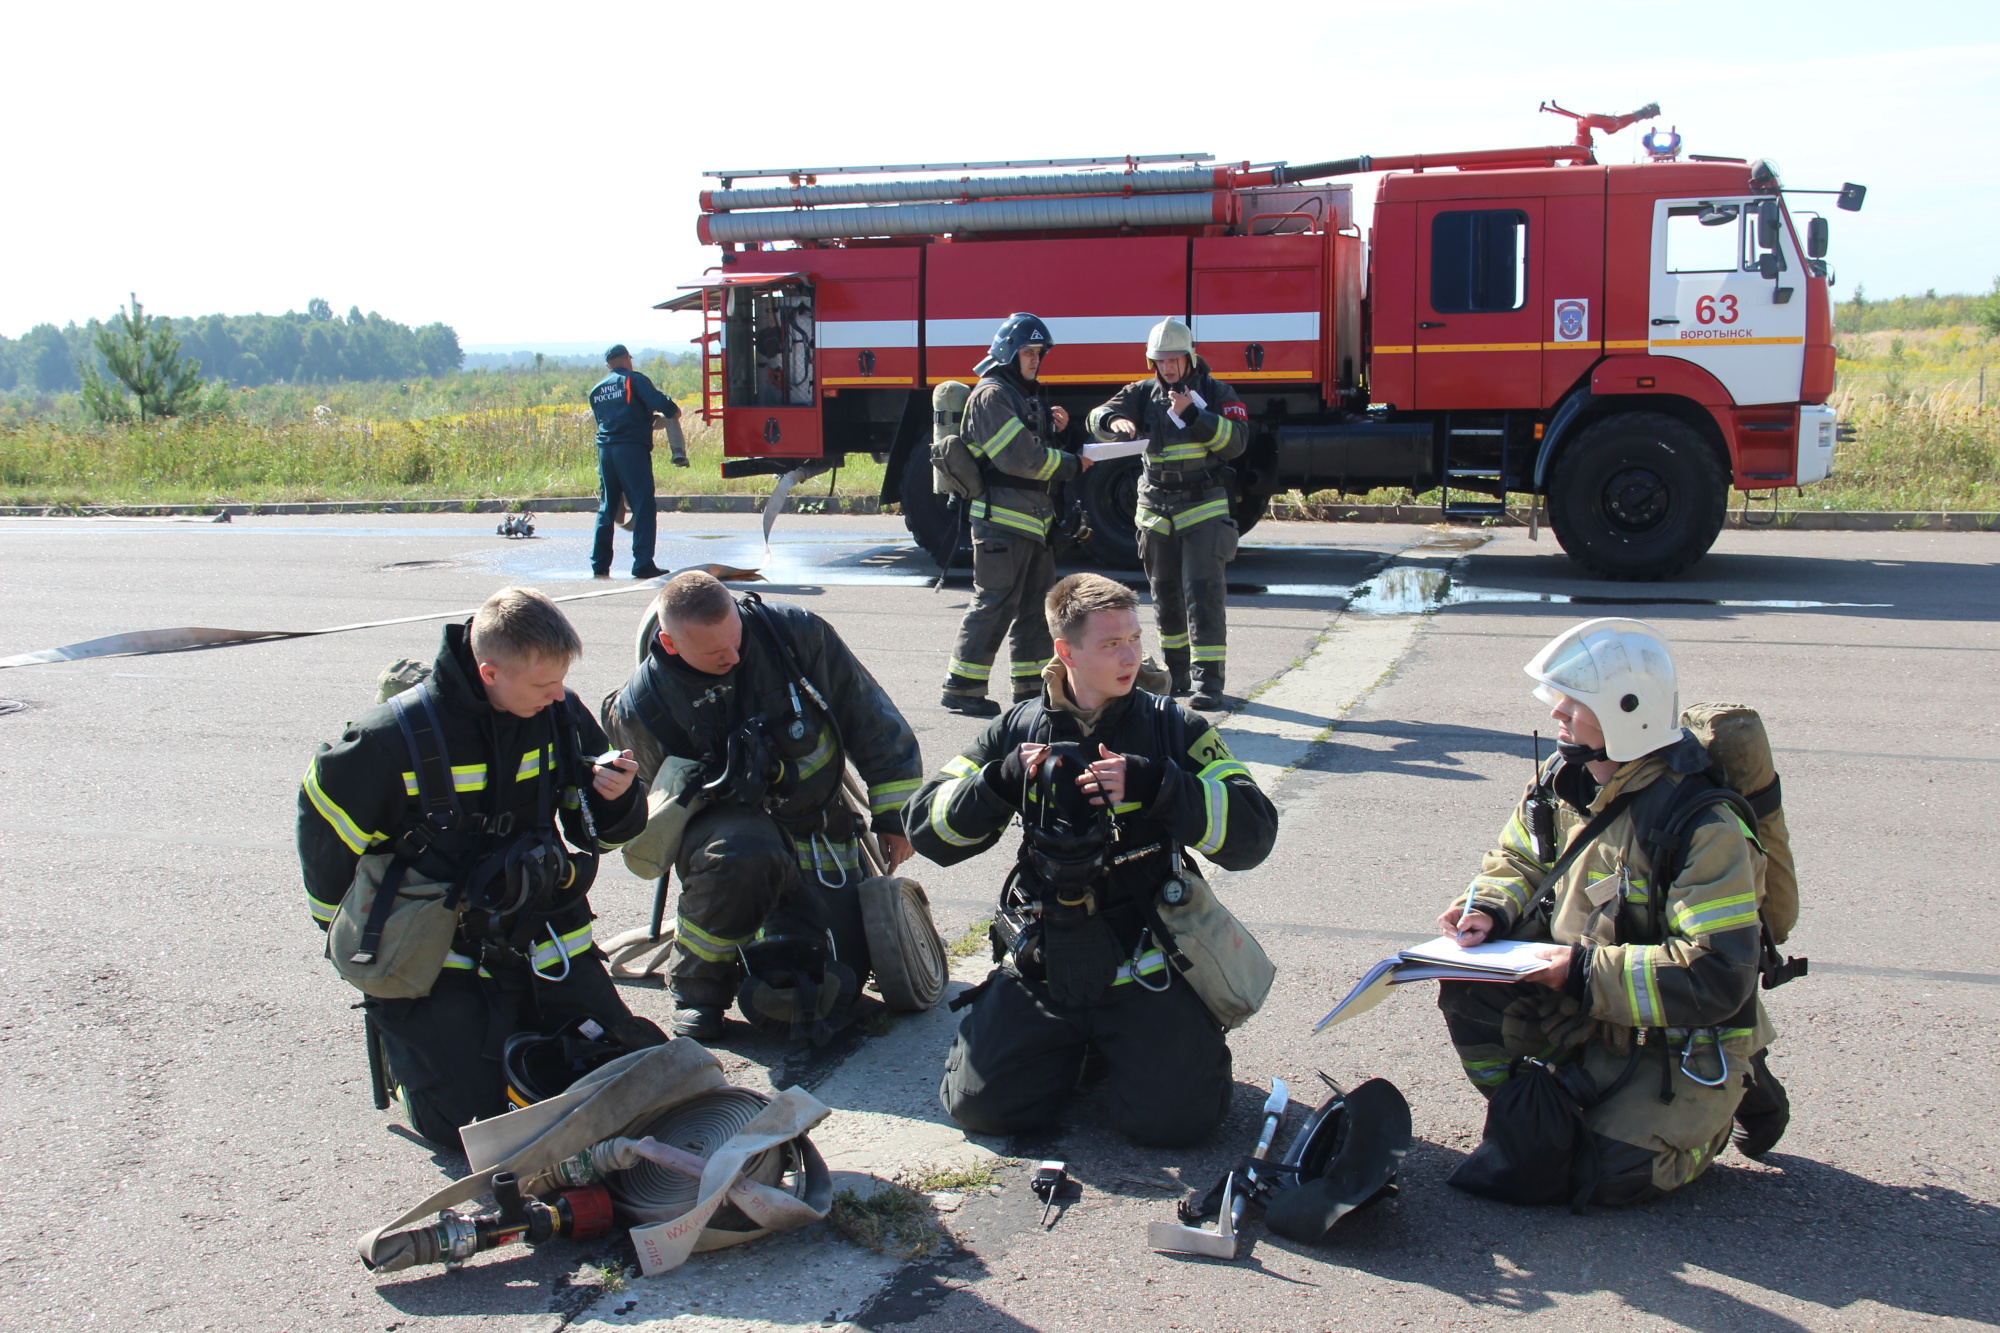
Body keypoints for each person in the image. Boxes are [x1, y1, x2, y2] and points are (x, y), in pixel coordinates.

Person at [910, 574, 1277, 1146]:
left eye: (1135, 638)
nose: (1131, 655)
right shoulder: (1018, 728)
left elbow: (1256, 833)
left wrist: (1160, 785)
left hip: (1147, 965)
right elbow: (926, 828)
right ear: (1065, 651)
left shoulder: (1172, 726)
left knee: (1175, 1124)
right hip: (1045, 958)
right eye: (1111, 644)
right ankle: (1079, 1051)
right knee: (983, 1109)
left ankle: (1155, 1048)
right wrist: (999, 782)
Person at [1435, 617, 1788, 1205]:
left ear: (1628, 710)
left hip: (1675, 1033)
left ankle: (1733, 1091)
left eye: (1574, 701)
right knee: (1468, 989)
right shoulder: (1563, 781)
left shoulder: (1704, 826)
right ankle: (1542, 1111)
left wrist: (1574, 971)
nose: (1557, 712)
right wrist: (1488, 911)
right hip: (1586, 999)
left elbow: (1714, 974)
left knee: (1598, 1172)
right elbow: (1517, 858)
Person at [298, 587, 657, 1152]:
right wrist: (367, 950)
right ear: (490, 672)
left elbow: (601, 833)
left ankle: (517, 1031)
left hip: (543, 937)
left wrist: (615, 798)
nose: (560, 694)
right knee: (472, 1128)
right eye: (544, 684)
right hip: (442, 958)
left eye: (561, 680)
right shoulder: (387, 740)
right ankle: (416, 1041)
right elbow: (326, 840)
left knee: (632, 1076)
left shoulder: (555, 713)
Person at [601, 571, 924, 1040]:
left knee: (843, 973)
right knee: (742, 855)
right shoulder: (641, 707)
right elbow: (650, 816)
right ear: (670, 645)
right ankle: (699, 991)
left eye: (736, 640)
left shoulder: (793, 634)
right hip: (734, 847)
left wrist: (895, 817)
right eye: (715, 654)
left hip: (823, 831)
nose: (733, 657)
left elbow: (869, 717)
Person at [1086, 318, 1249, 709]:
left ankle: (1209, 683)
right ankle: (1176, 676)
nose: (1169, 367)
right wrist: (1114, 421)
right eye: (1161, 361)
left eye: (1175, 359)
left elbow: (1237, 442)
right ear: (1151, 362)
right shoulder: (1142, 393)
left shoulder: (1215, 391)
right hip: (1156, 509)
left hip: (1203, 507)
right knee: (1166, 595)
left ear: (1190, 357)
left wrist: (1196, 415)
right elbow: (1096, 416)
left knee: (1203, 593)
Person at [939, 313, 1091, 717]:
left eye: (1039, 352)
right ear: (1008, 352)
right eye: (1028, 351)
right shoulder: (991, 396)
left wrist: (1060, 434)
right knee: (995, 603)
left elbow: (1033, 450)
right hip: (1001, 520)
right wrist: (1071, 463)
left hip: (1033, 521)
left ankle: (1029, 691)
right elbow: (1019, 458)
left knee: (1036, 610)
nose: (1035, 359)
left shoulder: (1023, 395)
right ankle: (962, 687)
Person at [588, 344, 686, 581]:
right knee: (642, 504)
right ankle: (643, 563)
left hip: (605, 451)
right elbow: (660, 403)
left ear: (608, 364)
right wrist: (673, 410)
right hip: (631, 449)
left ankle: (599, 564)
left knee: (608, 506)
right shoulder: (634, 380)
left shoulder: (596, 390)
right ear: (627, 359)